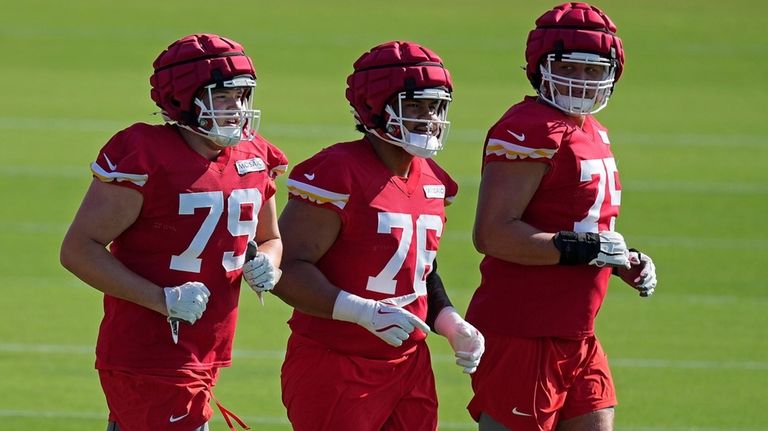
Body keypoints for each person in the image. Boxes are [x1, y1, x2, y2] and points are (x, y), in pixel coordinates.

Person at [59, 33, 287, 431]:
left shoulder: (255, 156)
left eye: (241, 97)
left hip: (207, 345)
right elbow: (78, 250)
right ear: (184, 98)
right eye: (223, 97)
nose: (237, 109)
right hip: (148, 353)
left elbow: (271, 238)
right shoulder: (145, 154)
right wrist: (161, 298)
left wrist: (267, 262)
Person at [271, 40, 485, 431]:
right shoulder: (338, 172)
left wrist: (450, 320)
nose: (428, 118)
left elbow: (418, 270)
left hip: (410, 365)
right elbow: (284, 268)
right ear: (375, 106)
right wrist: (362, 312)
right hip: (337, 363)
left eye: (436, 106)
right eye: (414, 105)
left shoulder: (433, 180)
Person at [466, 3, 658, 431]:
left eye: (593, 71)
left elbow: (583, 225)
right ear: (540, 66)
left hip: (576, 326)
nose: (581, 80)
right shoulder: (529, 128)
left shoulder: (592, 129)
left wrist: (622, 258)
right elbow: (494, 233)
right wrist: (587, 249)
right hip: (525, 327)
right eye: (570, 67)